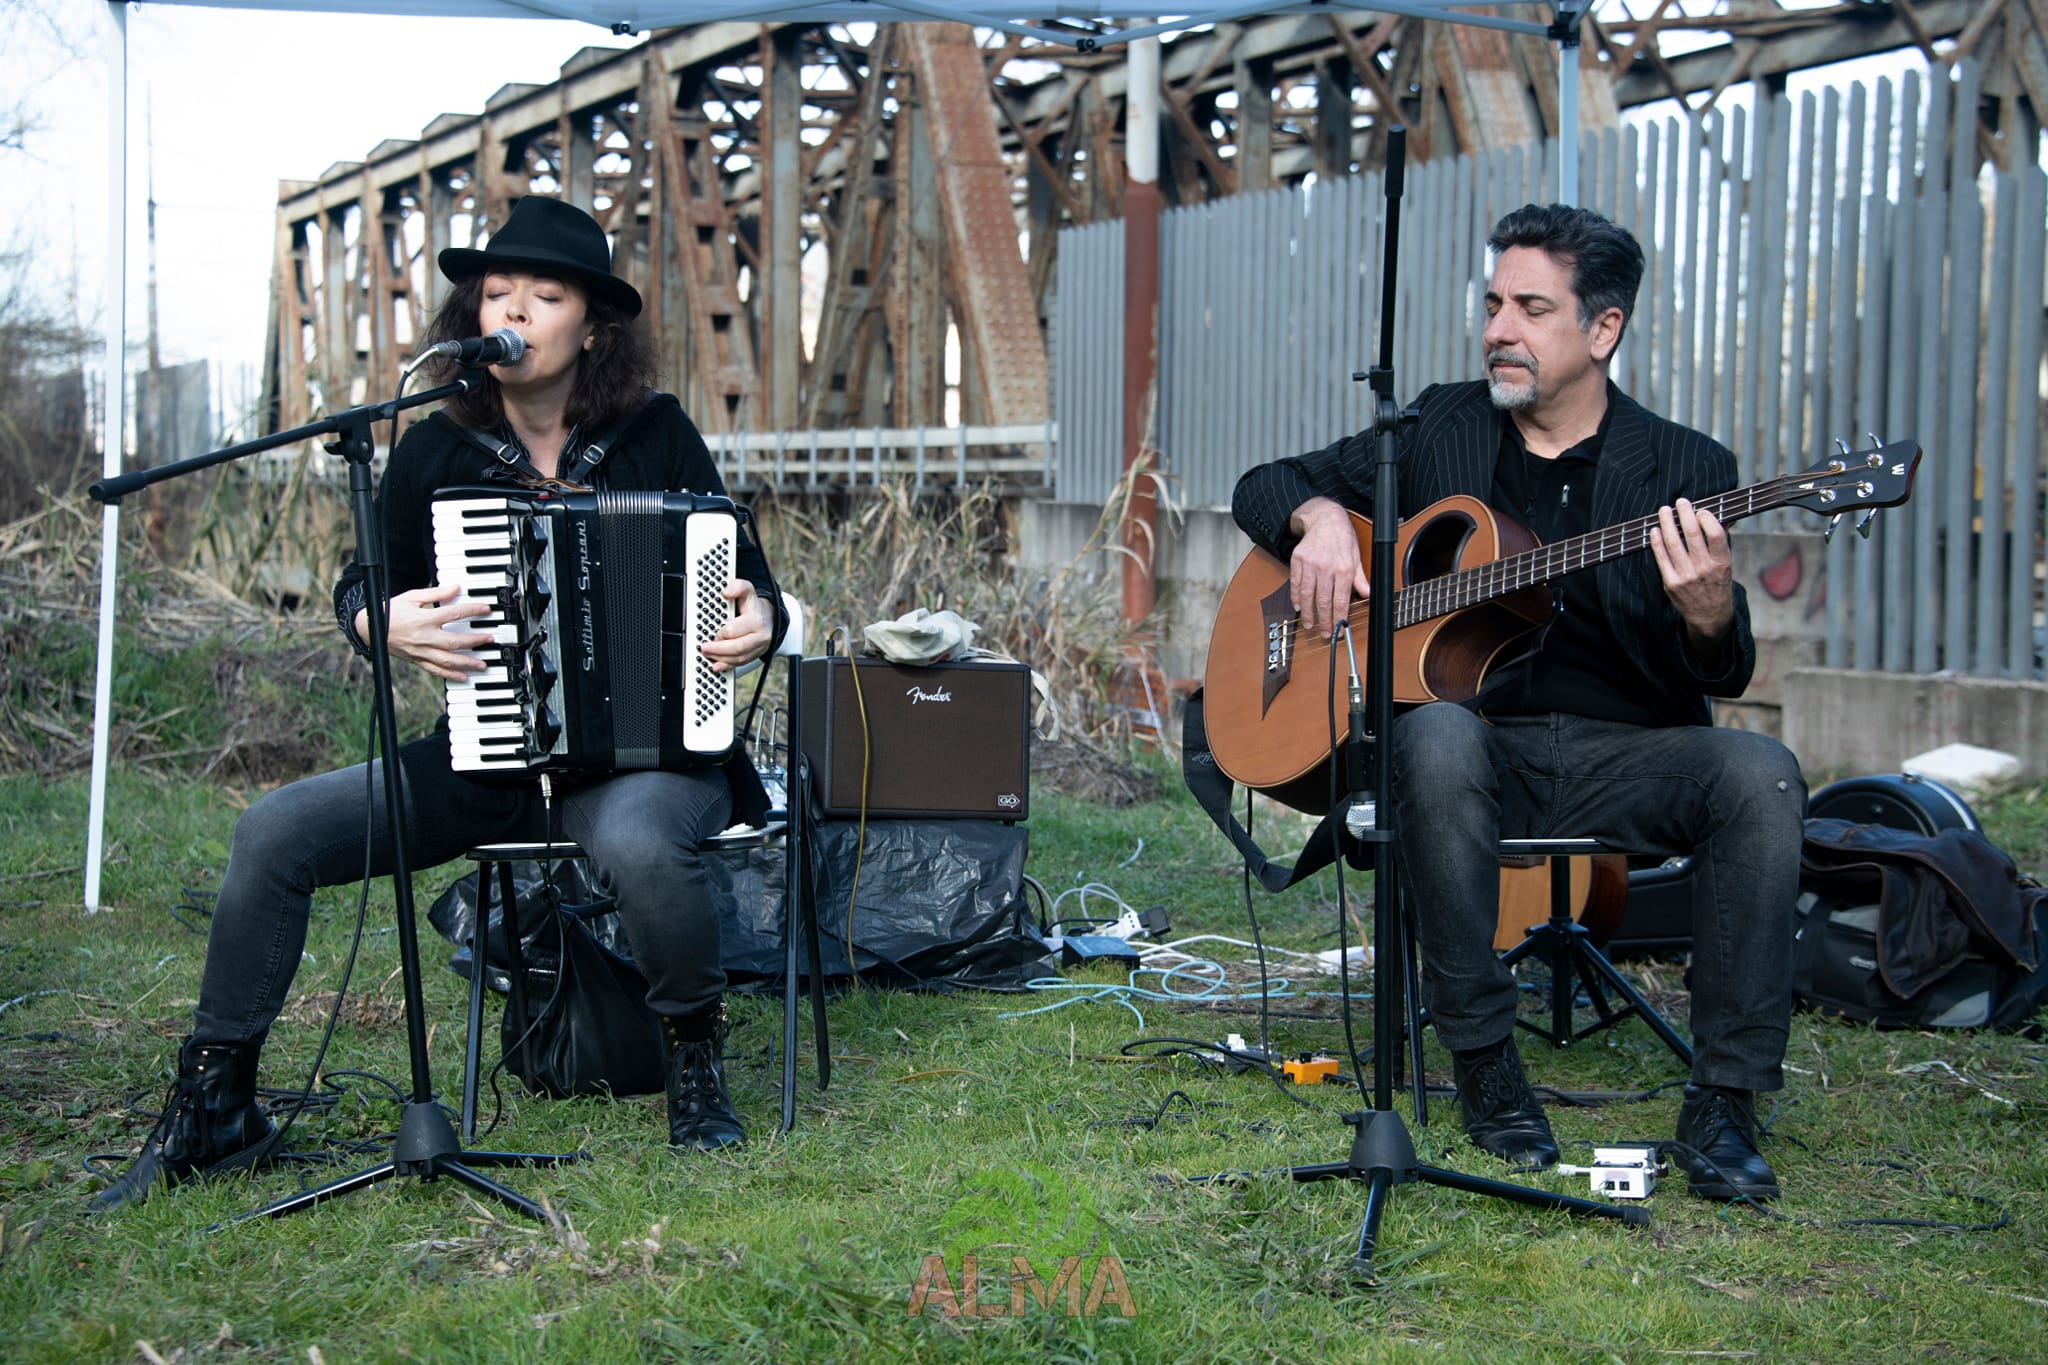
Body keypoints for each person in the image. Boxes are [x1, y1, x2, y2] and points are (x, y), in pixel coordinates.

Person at [94, 196, 784, 1211]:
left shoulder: (654, 433)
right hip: (490, 757)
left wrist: (759, 616)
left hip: (649, 760)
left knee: (640, 843)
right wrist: (380, 622)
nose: (514, 310)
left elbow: (754, 585)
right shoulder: (435, 450)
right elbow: (360, 584)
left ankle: (693, 1065)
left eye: (544, 295)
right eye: (496, 292)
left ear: (592, 327)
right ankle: (215, 1106)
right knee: (273, 831)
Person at [1230, 203, 1805, 1202]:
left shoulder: (1686, 470)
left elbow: (1721, 673)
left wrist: (1711, 611)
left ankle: (1724, 1099)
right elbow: (1261, 483)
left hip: (1623, 756)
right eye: (1493, 303)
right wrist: (1316, 516)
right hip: (1468, 754)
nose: (1499, 328)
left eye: (1531, 309)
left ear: (1602, 329)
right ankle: (1485, 1064)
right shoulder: (1438, 427)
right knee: (1438, 735)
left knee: (1762, 773)